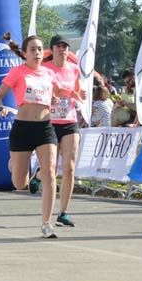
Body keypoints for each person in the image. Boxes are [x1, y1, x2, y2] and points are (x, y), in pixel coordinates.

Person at [0, 35, 60, 239]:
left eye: (40, 49)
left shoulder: (49, 73)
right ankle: (15, 165)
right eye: (32, 49)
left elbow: (53, 96)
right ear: (24, 53)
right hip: (22, 128)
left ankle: (47, 223)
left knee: (49, 171)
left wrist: (55, 100)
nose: (37, 53)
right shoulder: (17, 72)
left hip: (45, 127)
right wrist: (0, 108)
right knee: (19, 184)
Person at [47, 35, 86, 228]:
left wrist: (81, 95)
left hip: (70, 121)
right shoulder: (45, 69)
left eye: (66, 47)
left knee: (69, 167)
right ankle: (39, 175)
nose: (63, 50)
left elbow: (77, 91)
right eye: (59, 46)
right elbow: (50, 90)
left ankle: (63, 212)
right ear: (52, 49)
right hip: (50, 122)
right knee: (51, 168)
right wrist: (60, 93)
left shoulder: (73, 69)